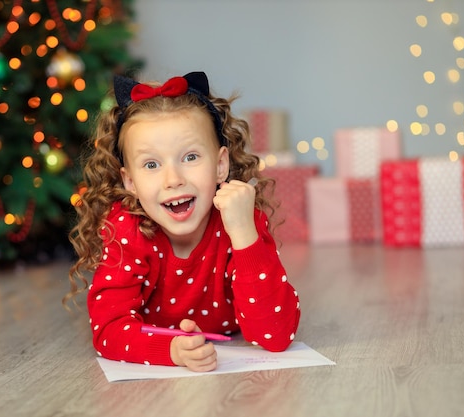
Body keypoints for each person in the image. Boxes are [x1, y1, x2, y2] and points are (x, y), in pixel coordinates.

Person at [65, 71, 300, 372]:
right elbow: (108, 330)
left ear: (220, 165)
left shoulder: (239, 218)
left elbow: (277, 336)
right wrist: (171, 350)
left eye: (190, 157)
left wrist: (244, 234)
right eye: (151, 164)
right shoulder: (126, 229)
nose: (173, 180)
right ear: (130, 182)